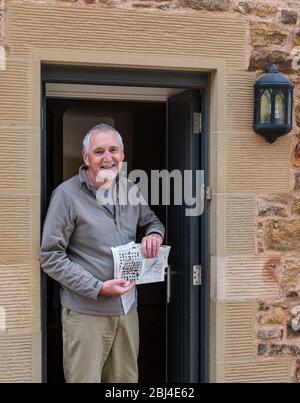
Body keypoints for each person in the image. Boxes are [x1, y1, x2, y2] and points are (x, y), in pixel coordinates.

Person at [40, 123, 164, 383]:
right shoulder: (66, 195)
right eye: (99, 151)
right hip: (87, 314)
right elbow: (51, 256)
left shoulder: (131, 189)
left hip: (127, 309)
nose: (107, 158)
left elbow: (152, 221)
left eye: (113, 150)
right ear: (87, 158)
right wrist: (97, 287)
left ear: (122, 155)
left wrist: (154, 234)